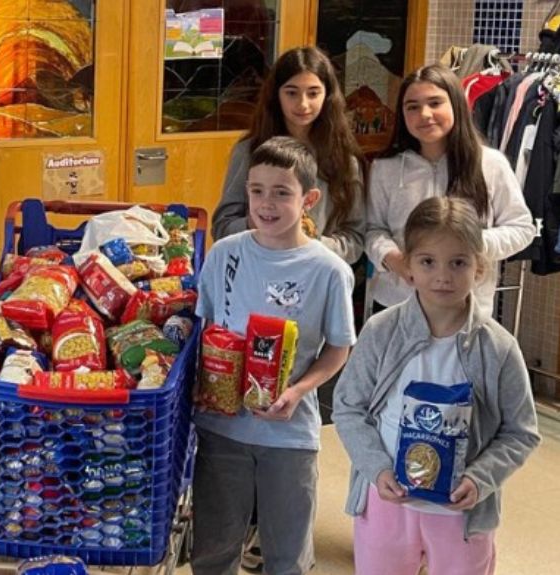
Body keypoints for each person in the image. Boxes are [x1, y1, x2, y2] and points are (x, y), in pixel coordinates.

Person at [333, 197, 540, 574]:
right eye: (428, 262)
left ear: (479, 267)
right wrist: (377, 469)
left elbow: (521, 432)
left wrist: (480, 479)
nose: (442, 276)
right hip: (387, 502)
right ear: (408, 265)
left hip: (461, 512)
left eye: (458, 263)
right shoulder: (382, 332)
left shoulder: (498, 347)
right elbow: (348, 407)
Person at [191, 136, 356, 575]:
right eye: (256, 190)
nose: (266, 203)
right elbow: (203, 330)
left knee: (286, 554)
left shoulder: (329, 271)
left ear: (309, 199)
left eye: (282, 192)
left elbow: (339, 347)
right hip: (222, 427)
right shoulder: (225, 254)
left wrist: (300, 390)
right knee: (214, 548)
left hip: (289, 436)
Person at [366, 64, 534, 318]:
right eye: (412, 106)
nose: (424, 114)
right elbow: (372, 229)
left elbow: (522, 228)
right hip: (397, 305)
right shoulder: (385, 168)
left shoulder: (490, 164)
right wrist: (394, 259)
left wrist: (471, 245)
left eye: (435, 103)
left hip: (468, 308)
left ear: (456, 105)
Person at [212, 46, 366, 264]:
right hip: (255, 272)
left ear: (328, 95)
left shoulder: (344, 159)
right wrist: (259, 222)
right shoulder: (249, 151)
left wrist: (312, 245)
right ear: (276, 95)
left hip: (316, 277)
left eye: (313, 93)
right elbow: (222, 227)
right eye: (292, 92)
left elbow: (355, 237)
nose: (302, 104)